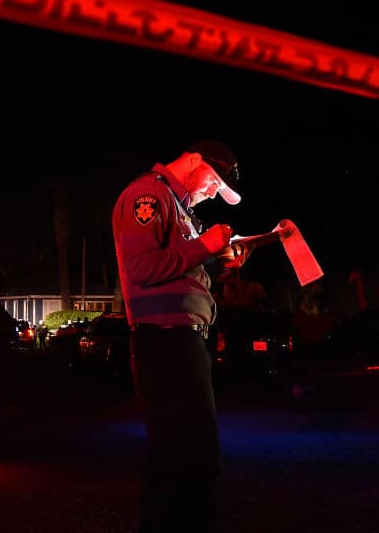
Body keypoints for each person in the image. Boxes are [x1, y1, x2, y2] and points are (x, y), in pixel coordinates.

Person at [111, 139, 249, 533]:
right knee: (196, 459)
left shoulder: (175, 205)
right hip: (166, 341)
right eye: (213, 182)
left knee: (173, 459)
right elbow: (141, 269)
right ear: (192, 161)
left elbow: (177, 270)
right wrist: (204, 246)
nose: (212, 193)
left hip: (177, 340)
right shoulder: (149, 194)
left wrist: (216, 259)